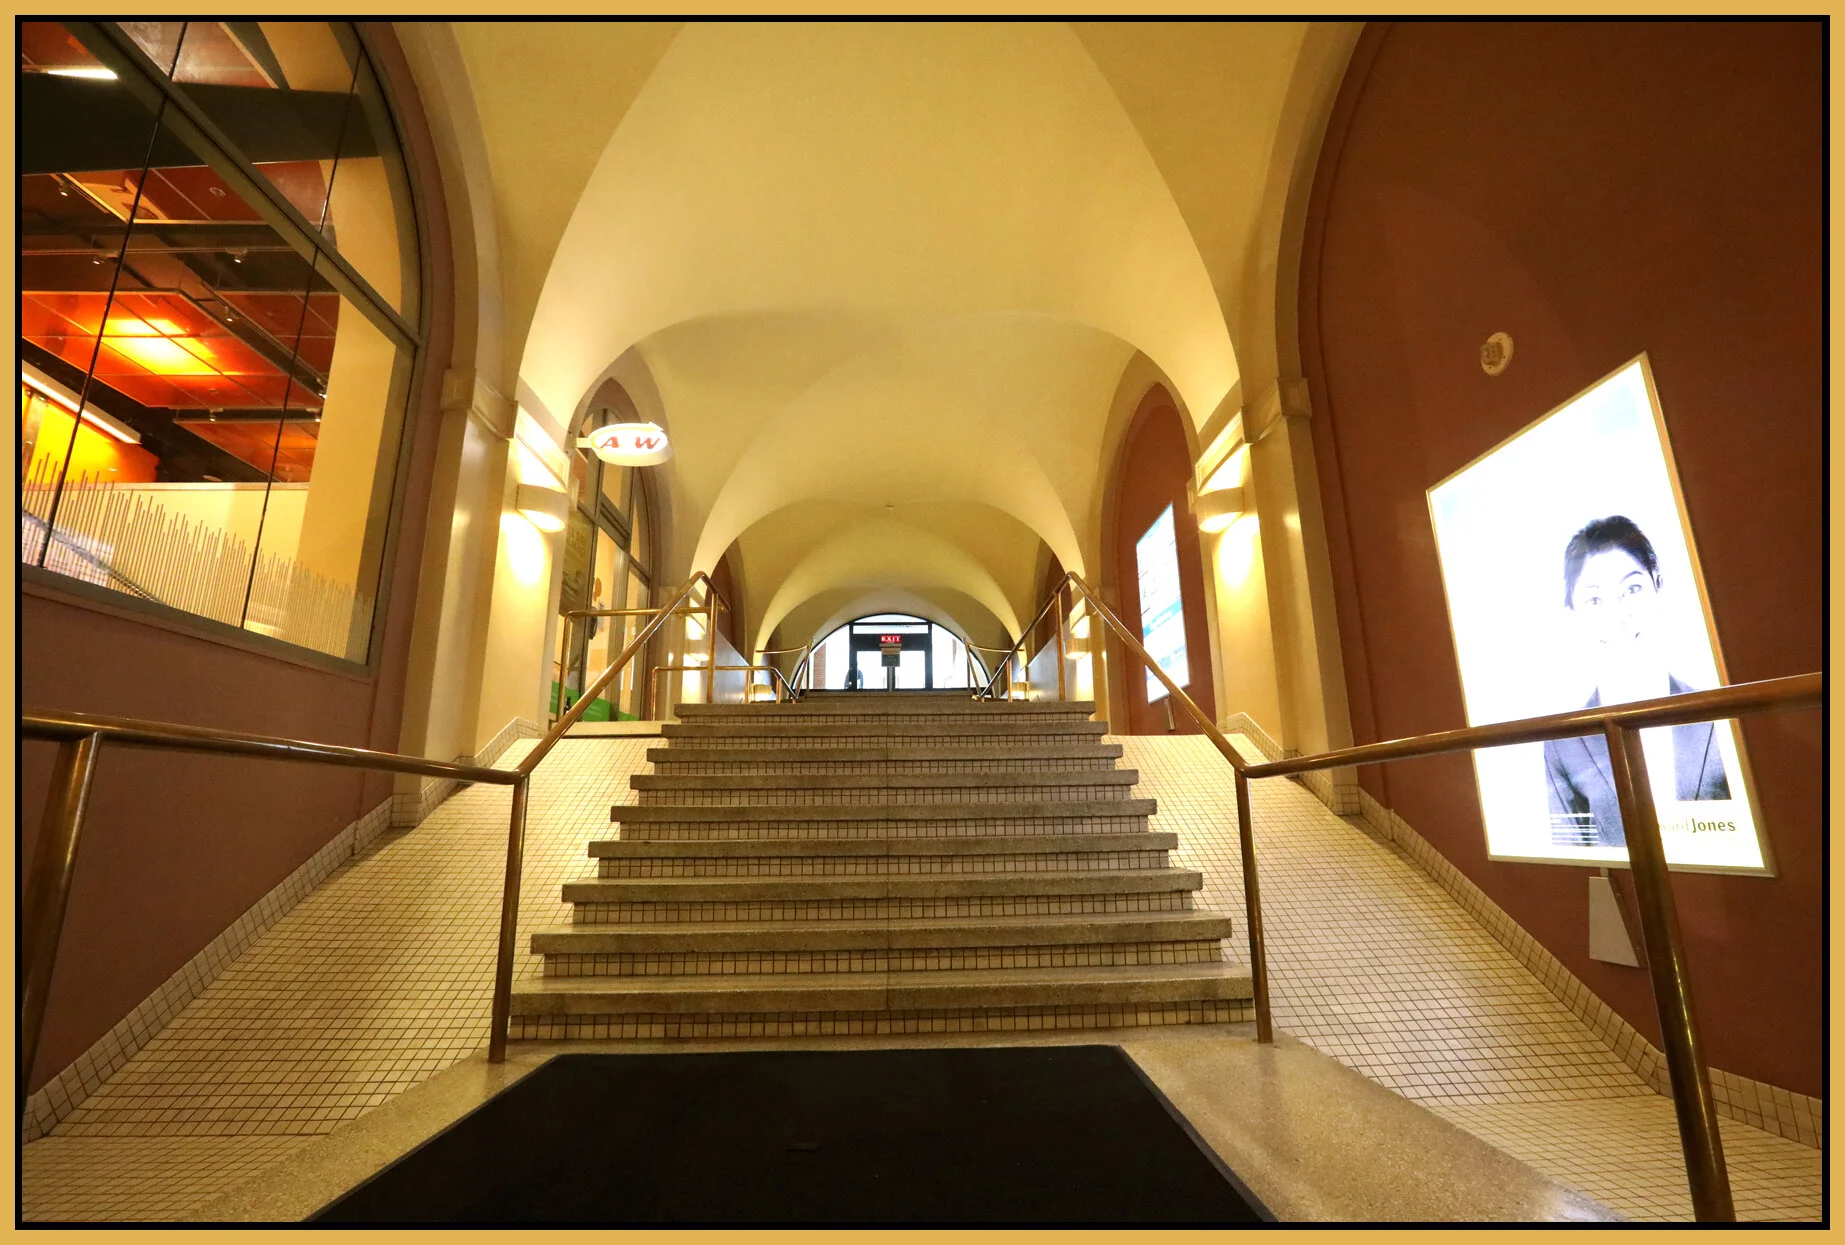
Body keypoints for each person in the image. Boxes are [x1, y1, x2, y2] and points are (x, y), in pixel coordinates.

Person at [1542, 515, 1729, 848]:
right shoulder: (1564, 745)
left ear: (1658, 584)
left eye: (1631, 589)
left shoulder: (1718, 716)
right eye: (1595, 600)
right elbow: (1574, 862)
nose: (1619, 615)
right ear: (1573, 615)